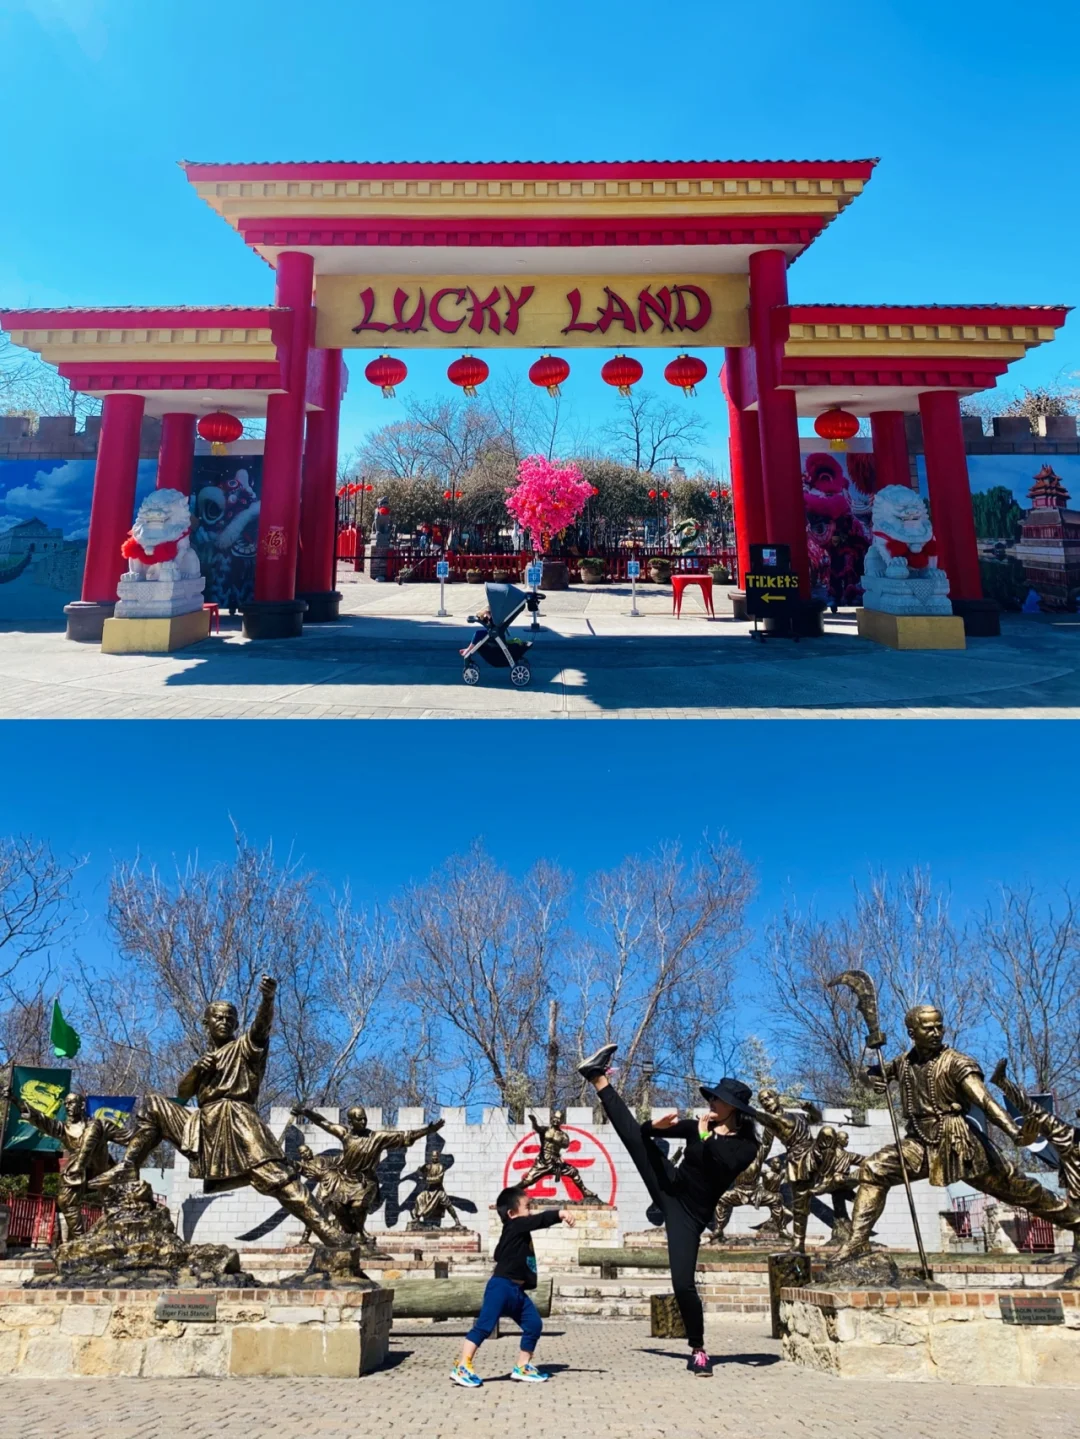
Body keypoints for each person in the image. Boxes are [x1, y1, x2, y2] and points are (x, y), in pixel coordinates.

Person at [577, 1043, 758, 1377]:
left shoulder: (746, 1146)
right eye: (710, 1098)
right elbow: (644, 1134)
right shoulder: (696, 1126)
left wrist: (704, 1136)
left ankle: (698, 1349)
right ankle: (597, 1078)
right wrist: (655, 1126)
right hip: (669, 1185)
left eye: (717, 1099)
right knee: (634, 1137)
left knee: (682, 1284)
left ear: (733, 1108)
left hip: (688, 1215)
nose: (710, 1103)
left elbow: (718, 1167)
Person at [450, 1185, 575, 1388]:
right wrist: (560, 1214)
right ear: (512, 1213)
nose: (530, 1212)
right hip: (500, 1288)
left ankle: (522, 1366)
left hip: (516, 1292)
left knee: (534, 1324)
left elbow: (498, 1253)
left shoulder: (513, 1232)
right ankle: (462, 1366)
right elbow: (539, 1220)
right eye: (527, 1207)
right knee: (484, 1326)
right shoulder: (516, 1226)